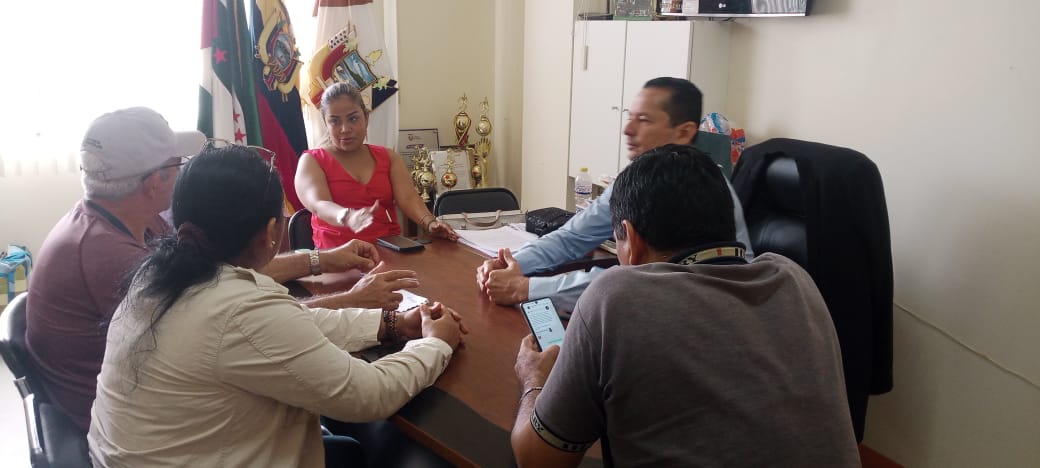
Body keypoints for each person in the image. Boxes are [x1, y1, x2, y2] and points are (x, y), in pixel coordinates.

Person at [26, 107, 418, 434]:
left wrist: (320, 260)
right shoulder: (110, 257)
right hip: (161, 428)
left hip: (154, 411)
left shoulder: (127, 222)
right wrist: (353, 301)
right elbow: (245, 324)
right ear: (154, 182)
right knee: (361, 432)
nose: (184, 173)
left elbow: (215, 272)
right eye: (178, 164)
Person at [88, 146, 467, 467]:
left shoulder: (159, 274)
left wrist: (392, 324)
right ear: (271, 232)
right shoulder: (238, 309)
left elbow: (292, 323)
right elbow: (368, 394)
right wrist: (435, 343)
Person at [509, 145, 859, 467]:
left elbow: (536, 459)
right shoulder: (797, 280)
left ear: (632, 241)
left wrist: (533, 380)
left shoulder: (615, 297)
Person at [477, 77, 752, 314]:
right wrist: (511, 263)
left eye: (643, 120)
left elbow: (637, 288)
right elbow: (572, 237)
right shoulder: (638, 180)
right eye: (630, 117)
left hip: (717, 313)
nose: (628, 130)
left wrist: (526, 288)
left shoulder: (700, 190)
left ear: (684, 132)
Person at [295, 82, 458, 247]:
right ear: (326, 124)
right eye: (335, 121)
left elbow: (408, 198)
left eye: (353, 119)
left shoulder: (389, 157)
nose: (345, 128)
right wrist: (347, 216)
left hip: (389, 250)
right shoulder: (312, 161)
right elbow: (319, 204)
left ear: (366, 118)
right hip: (336, 255)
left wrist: (430, 223)